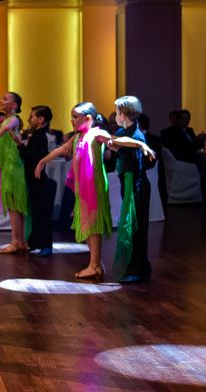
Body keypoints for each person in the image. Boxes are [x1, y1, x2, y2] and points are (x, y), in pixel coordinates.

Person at [35, 102, 113, 281]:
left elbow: (111, 139)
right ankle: (95, 263)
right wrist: (42, 161)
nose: (72, 120)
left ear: (88, 119)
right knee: (88, 224)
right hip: (83, 187)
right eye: (71, 117)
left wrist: (132, 145)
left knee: (92, 224)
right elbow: (60, 149)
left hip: (93, 185)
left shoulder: (95, 133)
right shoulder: (78, 136)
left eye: (75, 117)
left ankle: (94, 265)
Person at [108, 97, 157, 284]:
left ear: (122, 114)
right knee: (131, 226)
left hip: (137, 185)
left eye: (117, 112)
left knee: (136, 228)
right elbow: (118, 143)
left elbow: (128, 141)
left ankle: (139, 269)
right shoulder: (123, 132)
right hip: (127, 183)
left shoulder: (136, 135)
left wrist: (136, 144)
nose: (115, 116)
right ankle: (134, 267)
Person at [0, 92, 28, 254]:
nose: (0, 100)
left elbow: (6, 128)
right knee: (14, 206)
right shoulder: (6, 120)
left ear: (14, 106)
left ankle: (16, 241)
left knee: (14, 205)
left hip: (13, 165)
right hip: (8, 165)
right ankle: (20, 241)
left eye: (5, 99)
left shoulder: (14, 119)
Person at [23, 105, 55, 257]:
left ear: (41, 119)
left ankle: (46, 246)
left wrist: (19, 145)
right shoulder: (36, 135)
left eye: (32, 116)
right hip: (36, 182)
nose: (29, 119)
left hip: (40, 182)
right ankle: (35, 243)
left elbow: (33, 159)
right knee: (36, 213)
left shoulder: (40, 137)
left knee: (42, 215)